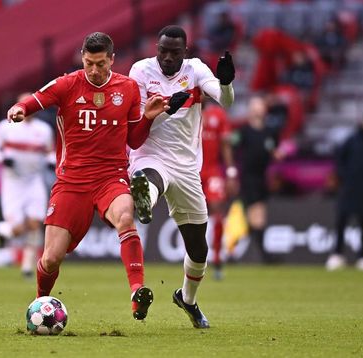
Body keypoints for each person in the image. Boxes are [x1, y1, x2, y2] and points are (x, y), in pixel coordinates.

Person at [6, 32, 169, 320]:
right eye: (89, 63)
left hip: (111, 176)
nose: (94, 70)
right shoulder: (68, 84)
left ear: (112, 60)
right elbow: (37, 99)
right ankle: (40, 303)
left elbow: (134, 140)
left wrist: (147, 117)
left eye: (101, 64)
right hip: (72, 181)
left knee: (126, 218)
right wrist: (20, 108)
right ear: (82, 57)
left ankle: (137, 292)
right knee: (51, 257)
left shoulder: (128, 88)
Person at [128, 25, 235, 328]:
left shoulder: (196, 70)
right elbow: (133, 121)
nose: (167, 58)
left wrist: (225, 83)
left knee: (198, 249)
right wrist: (161, 109)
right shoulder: (141, 71)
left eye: (174, 52)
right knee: (150, 178)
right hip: (150, 153)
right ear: (156, 48)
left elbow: (225, 101)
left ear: (184, 52)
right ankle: (144, 199)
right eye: (163, 50)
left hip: (187, 167)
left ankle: (187, 299)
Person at [0, 92, 56, 278]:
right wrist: (3, 159)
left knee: (35, 223)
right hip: (13, 182)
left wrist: (51, 161)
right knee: (17, 228)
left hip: (35, 180)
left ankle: (27, 265)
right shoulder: (6, 127)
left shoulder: (44, 130)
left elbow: (50, 152)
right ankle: (3, 231)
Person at [233, 95, 281, 264]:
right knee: (257, 214)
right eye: (254, 106)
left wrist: (279, 154)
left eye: (260, 106)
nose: (257, 109)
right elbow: (232, 146)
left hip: (262, 178)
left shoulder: (269, 132)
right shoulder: (244, 131)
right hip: (249, 178)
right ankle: (263, 254)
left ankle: (239, 250)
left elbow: (273, 151)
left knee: (256, 216)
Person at [326, 111, 363, 271]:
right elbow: (339, 160)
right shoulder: (352, 140)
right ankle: (337, 254)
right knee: (342, 221)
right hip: (350, 188)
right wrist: (345, 176)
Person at [200, 104, 238, 280]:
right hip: (190, 170)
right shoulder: (185, 110)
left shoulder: (218, 115)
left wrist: (230, 173)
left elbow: (226, 145)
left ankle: (217, 255)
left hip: (212, 170)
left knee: (217, 207)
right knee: (191, 213)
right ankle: (193, 255)